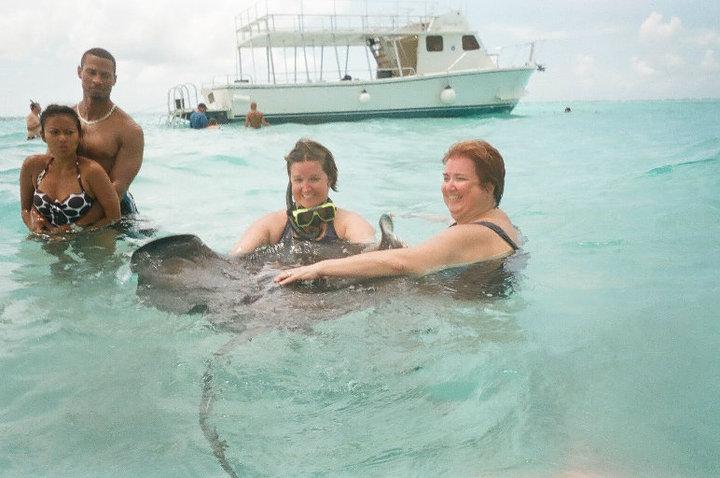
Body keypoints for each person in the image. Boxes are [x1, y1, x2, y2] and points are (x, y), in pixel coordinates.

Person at [275, 139, 519, 285]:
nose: (449, 187)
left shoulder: (474, 233)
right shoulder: (500, 221)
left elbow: (404, 264)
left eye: (461, 178)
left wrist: (320, 267)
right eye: (446, 178)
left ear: (488, 187)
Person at [28, 47, 143, 233]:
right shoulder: (63, 120)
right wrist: (36, 214)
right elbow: (49, 169)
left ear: (114, 79)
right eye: (91, 72)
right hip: (68, 209)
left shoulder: (129, 130)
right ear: (80, 72)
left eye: (105, 75)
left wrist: (74, 229)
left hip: (112, 213)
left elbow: (117, 189)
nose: (97, 80)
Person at [230, 138, 375, 256]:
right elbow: (232, 262)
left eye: (314, 179)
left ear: (329, 180)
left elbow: (374, 258)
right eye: (298, 180)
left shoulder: (348, 224)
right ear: (290, 182)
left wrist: (319, 270)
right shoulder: (273, 225)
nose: (306, 189)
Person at [19, 105, 120, 235]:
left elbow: (114, 217)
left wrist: (73, 233)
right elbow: (25, 210)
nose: (62, 138)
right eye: (54, 132)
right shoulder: (32, 166)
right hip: (45, 241)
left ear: (79, 136)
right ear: (43, 135)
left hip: (85, 242)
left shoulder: (91, 171)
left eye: (69, 132)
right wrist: (34, 224)